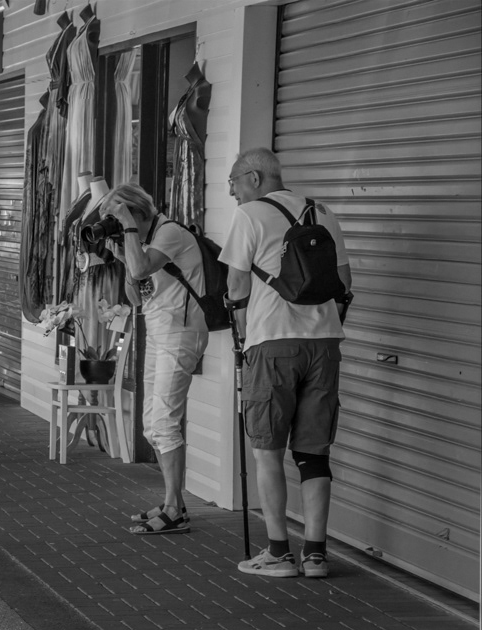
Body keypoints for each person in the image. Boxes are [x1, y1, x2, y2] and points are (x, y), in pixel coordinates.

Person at [223, 147, 352, 579]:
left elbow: (237, 281)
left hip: (272, 342)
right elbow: (345, 281)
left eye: (234, 182)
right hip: (325, 342)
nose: (232, 192)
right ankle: (315, 554)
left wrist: (242, 327)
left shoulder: (250, 215)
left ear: (255, 178)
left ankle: (278, 553)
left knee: (268, 450)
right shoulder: (323, 212)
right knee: (314, 453)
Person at [102, 183, 209, 534]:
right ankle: (169, 501)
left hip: (179, 336)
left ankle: (176, 509)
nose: (118, 227)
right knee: (151, 425)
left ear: (135, 212)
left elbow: (144, 268)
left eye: (120, 218)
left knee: (164, 423)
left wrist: (129, 232)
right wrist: (121, 256)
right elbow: (136, 295)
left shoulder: (170, 233)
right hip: (160, 333)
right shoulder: (143, 242)